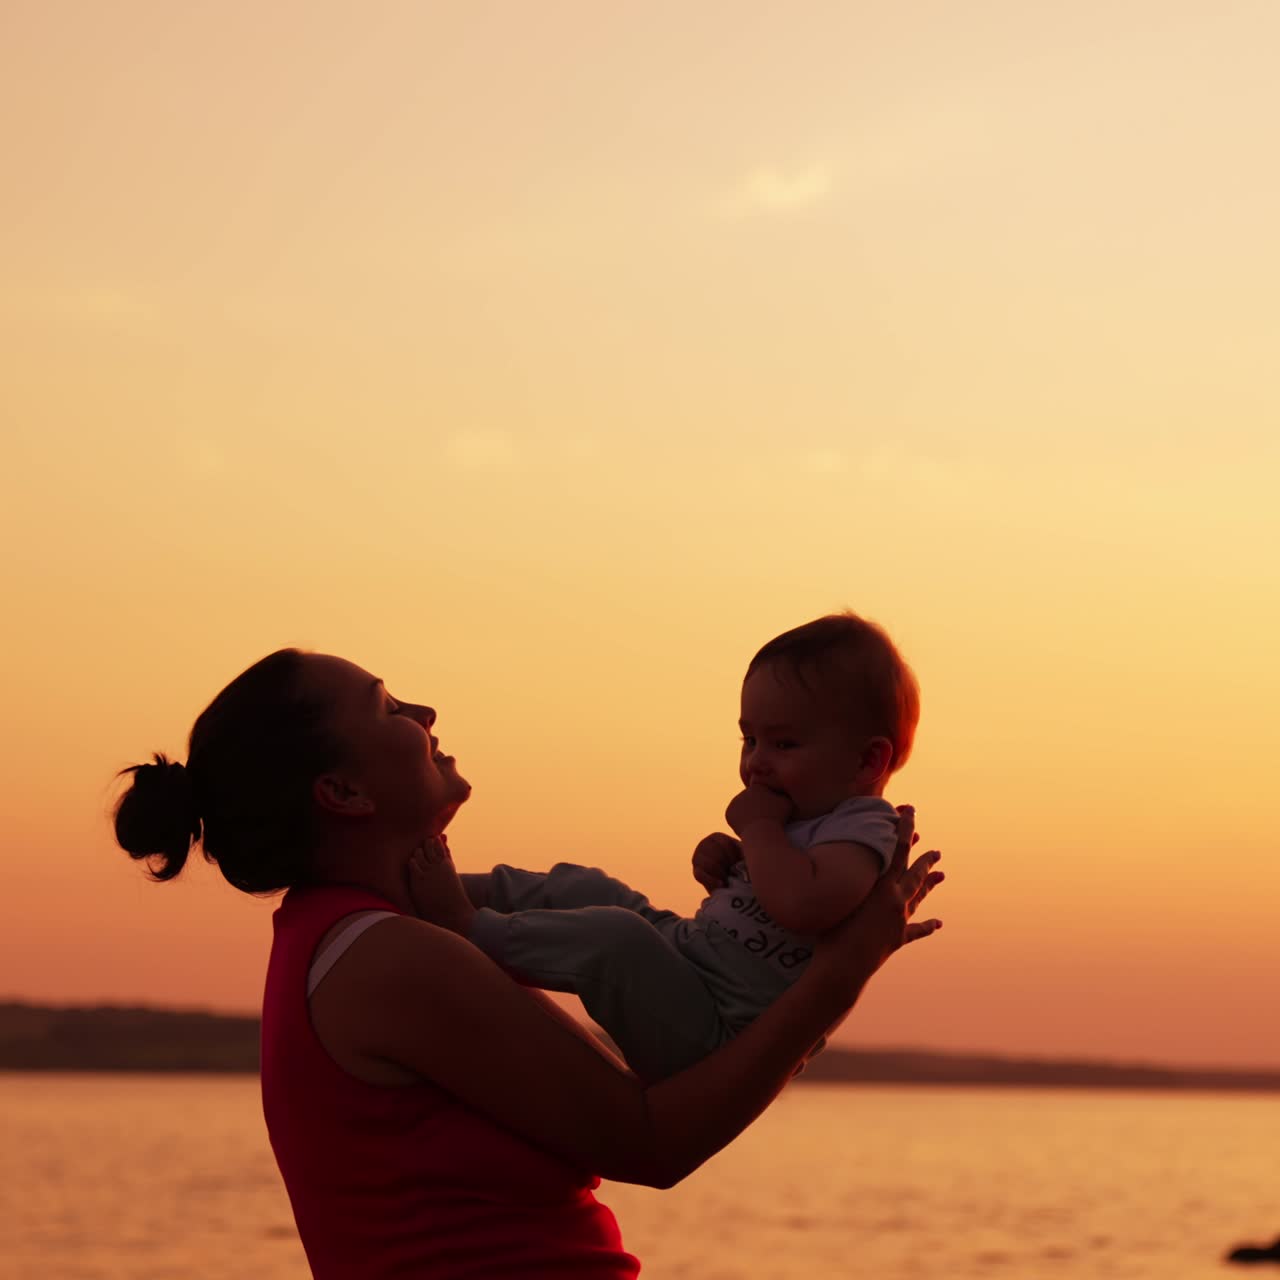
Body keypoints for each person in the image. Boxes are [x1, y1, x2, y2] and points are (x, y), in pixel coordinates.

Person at [112, 646, 944, 1279]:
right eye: (389, 707)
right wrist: (840, 973)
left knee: (593, 898)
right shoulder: (390, 959)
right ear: (344, 794)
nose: (426, 708)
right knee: (610, 929)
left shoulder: (363, 928)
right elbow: (655, 1142)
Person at [417, 612, 918, 1082]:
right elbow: (768, 887)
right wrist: (727, 857)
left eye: (784, 744)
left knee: (616, 940)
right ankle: (435, 889)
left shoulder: (866, 830)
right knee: (590, 887)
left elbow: (802, 904)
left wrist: (758, 831)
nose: (757, 763)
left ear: (867, 762)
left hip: (722, 1031)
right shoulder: (800, 820)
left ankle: (466, 925)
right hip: (690, 961)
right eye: (749, 741)